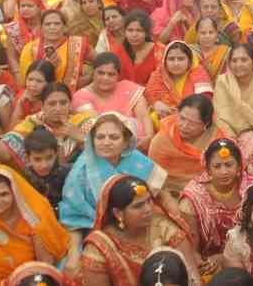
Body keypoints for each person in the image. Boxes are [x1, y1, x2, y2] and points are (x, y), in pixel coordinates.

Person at [59, 112, 176, 275]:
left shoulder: (137, 160)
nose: (106, 143)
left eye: (113, 137)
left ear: (126, 141)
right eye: (100, 137)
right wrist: (73, 256)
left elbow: (162, 194)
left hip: (142, 227)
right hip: (99, 234)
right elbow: (74, 222)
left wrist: (177, 218)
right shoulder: (81, 170)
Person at [80, 174, 189, 286]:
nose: (148, 209)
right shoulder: (100, 246)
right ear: (118, 213)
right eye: (138, 206)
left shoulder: (162, 226)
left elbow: (192, 277)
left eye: (149, 201)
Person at [180, 138, 248, 281]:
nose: (224, 172)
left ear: (239, 166)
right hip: (210, 265)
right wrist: (207, 265)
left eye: (229, 165)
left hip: (246, 258)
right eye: (217, 166)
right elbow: (192, 251)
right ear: (208, 168)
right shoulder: (193, 198)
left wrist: (226, 258)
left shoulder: (250, 190)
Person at [148, 94, 226, 196]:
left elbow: (222, 174)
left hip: (205, 193)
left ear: (206, 124)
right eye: (182, 118)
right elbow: (152, 178)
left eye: (192, 123)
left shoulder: (217, 141)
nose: (184, 126)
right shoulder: (163, 139)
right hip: (165, 193)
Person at [72, 53, 153, 146]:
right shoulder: (81, 96)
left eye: (111, 74)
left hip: (141, 143)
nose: (105, 78)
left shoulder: (128, 87)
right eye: (100, 73)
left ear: (118, 75)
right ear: (93, 73)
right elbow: (97, 124)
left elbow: (143, 115)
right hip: (104, 146)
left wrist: (149, 136)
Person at [19, 10, 92, 93]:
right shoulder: (30, 48)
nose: (52, 27)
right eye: (47, 24)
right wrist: (48, 66)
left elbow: (99, 62)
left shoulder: (78, 44)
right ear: (41, 28)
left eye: (57, 24)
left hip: (72, 96)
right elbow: (26, 80)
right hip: (40, 98)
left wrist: (88, 77)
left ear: (65, 27)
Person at [144, 41, 213, 119]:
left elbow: (205, 101)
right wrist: (156, 104)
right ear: (164, 61)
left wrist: (179, 113)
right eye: (171, 59)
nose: (176, 63)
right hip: (161, 119)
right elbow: (149, 96)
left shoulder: (199, 74)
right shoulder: (158, 76)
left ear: (189, 61)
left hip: (191, 120)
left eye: (181, 59)